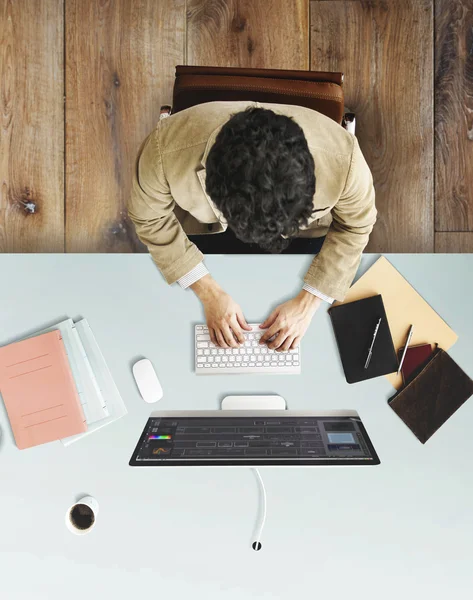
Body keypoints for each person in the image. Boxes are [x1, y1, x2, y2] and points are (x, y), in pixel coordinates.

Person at [128, 102, 376, 351]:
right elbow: (150, 218)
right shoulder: (163, 151)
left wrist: (309, 302)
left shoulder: (346, 161)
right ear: (212, 186)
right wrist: (207, 291)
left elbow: (356, 225)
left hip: (303, 232)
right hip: (208, 227)